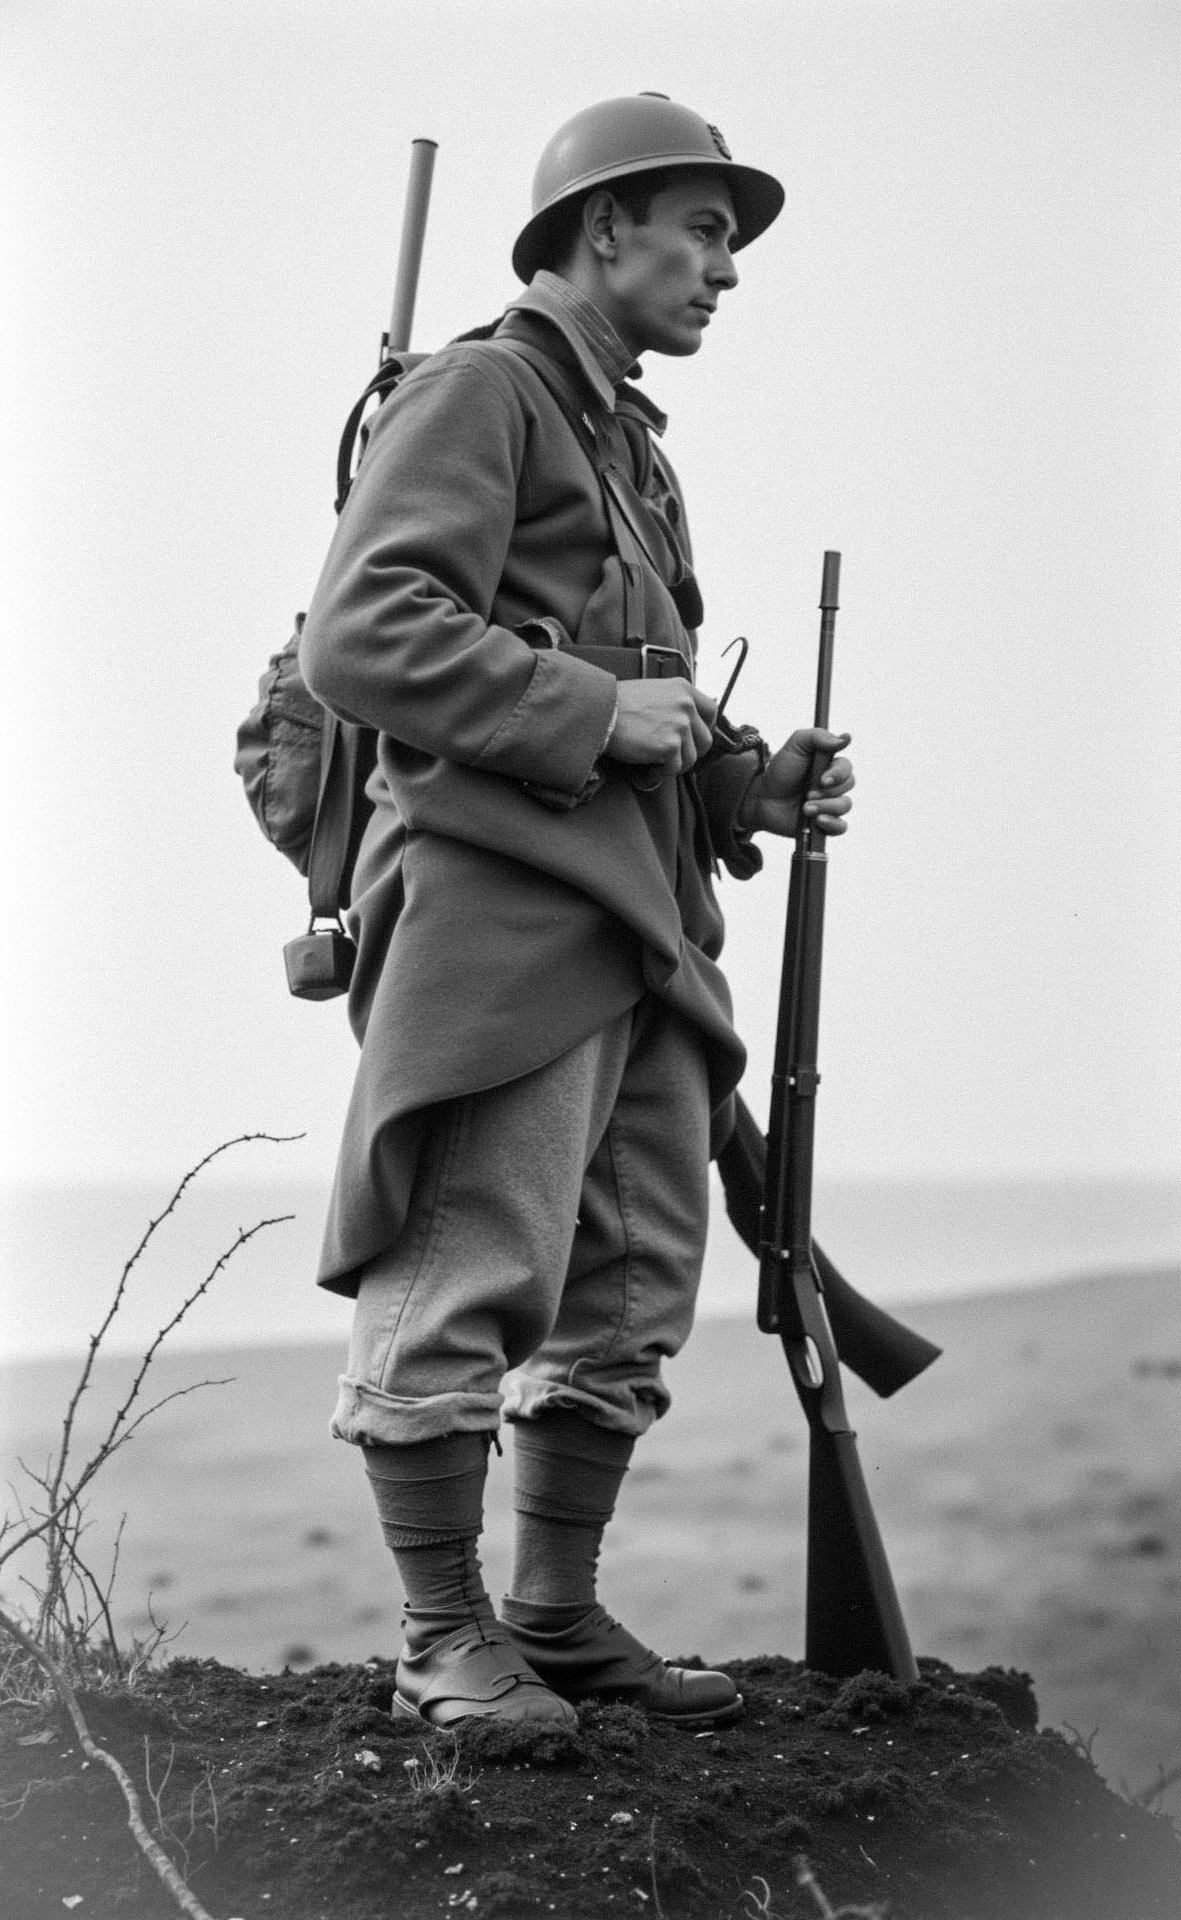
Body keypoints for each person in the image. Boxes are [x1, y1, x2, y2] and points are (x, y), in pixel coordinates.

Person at [298, 93, 854, 1730]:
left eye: (729, 242)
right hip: (504, 914)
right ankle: (438, 1639)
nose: (724, 272)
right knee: (471, 1263)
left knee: (624, 1282)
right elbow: (364, 633)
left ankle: (549, 1617)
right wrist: (590, 715)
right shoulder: (482, 392)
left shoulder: (626, 442)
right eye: (700, 231)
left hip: (642, 920)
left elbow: (641, 679)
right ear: (600, 229)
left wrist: (742, 781)